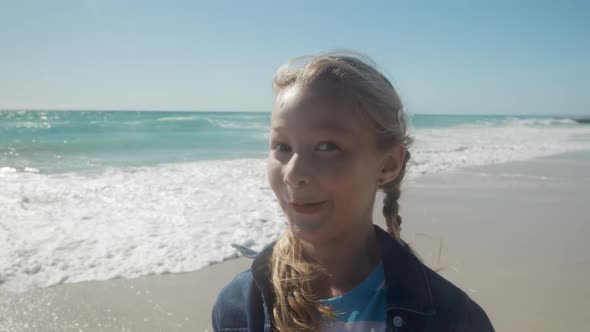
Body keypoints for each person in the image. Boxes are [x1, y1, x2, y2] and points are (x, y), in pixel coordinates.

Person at [211, 52, 494, 332]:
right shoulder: (236, 310)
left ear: (388, 164)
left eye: (327, 147)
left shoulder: (453, 320)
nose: (293, 174)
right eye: (282, 147)